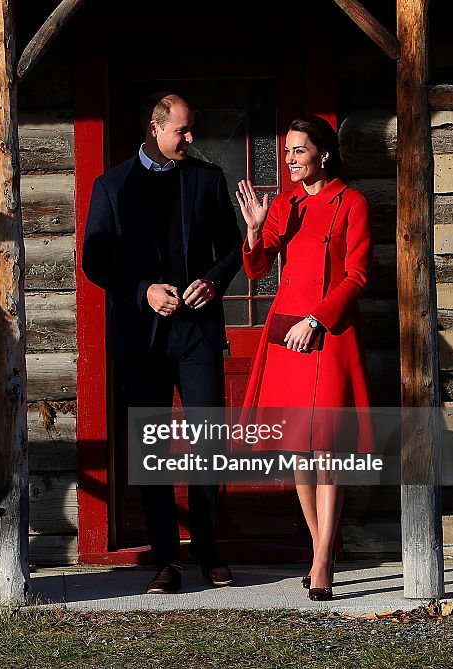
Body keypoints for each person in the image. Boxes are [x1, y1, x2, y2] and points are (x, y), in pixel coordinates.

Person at [82, 93, 242, 594]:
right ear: (156, 129)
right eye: (182, 131)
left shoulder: (207, 180)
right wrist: (142, 291)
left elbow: (233, 248)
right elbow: (95, 260)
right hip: (143, 338)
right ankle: (165, 561)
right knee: (152, 450)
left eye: (191, 131)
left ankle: (210, 552)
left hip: (197, 333)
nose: (191, 139)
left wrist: (214, 282)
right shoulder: (111, 185)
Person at [236, 115, 373, 602]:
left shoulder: (351, 202)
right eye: (287, 150)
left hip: (325, 331)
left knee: (326, 447)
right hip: (284, 332)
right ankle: (321, 548)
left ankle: (319, 562)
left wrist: (315, 320)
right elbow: (257, 268)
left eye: (298, 150)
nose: (290, 159)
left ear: (323, 153)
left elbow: (357, 275)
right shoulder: (284, 204)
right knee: (298, 445)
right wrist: (254, 231)